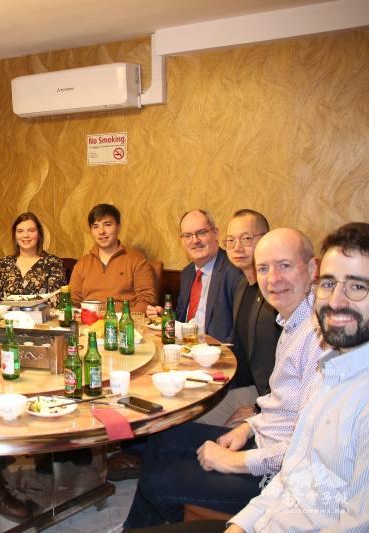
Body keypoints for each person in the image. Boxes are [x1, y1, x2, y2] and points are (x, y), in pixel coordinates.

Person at [123, 228, 328, 529]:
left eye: (285, 265)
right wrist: (247, 428)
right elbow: (284, 407)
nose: (273, 279)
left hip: (278, 478)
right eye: (264, 268)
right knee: (165, 437)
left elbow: (307, 446)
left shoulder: (318, 337)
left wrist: (233, 461)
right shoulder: (292, 321)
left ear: (312, 269)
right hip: (262, 441)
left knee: (157, 481)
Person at [226, 222, 369, 532]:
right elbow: (292, 477)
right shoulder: (329, 369)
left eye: (357, 286)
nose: (336, 301)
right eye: (329, 284)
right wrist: (243, 525)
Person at [196, 209, 280, 426]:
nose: (236, 248)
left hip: (271, 400)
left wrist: (258, 409)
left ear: (266, 239)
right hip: (246, 388)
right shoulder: (242, 287)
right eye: (230, 241)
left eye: (246, 239)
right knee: (182, 420)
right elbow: (240, 347)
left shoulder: (278, 294)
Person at [148, 210, 243, 342]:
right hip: (187, 347)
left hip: (215, 353)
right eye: (187, 236)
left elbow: (239, 332)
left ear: (215, 233)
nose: (195, 240)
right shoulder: (187, 273)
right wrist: (165, 315)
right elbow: (182, 320)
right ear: (181, 240)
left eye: (201, 233)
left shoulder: (234, 272)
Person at [69, 203, 156, 312]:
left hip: (123, 324)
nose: (101, 232)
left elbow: (146, 300)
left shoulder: (136, 260)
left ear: (118, 227)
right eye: (95, 226)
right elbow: (73, 301)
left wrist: (125, 320)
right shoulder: (82, 263)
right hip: (87, 324)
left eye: (107, 224)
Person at [0, 212, 65, 303]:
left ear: (39, 234)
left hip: (41, 316)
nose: (25, 235)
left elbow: (57, 301)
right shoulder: (4, 264)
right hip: (8, 317)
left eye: (31, 230)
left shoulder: (53, 263)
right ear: (15, 236)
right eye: (20, 231)